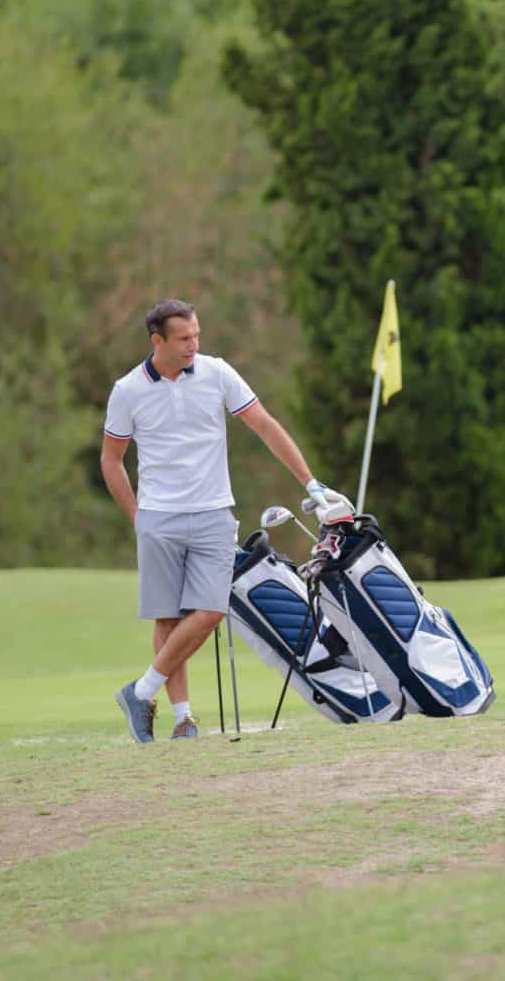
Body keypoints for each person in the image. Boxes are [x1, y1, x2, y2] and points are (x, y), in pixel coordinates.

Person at [101, 299, 349, 742]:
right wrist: (137, 516)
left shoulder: (217, 373)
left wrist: (310, 482)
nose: (194, 344)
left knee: (211, 610)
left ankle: (141, 691)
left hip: (215, 512)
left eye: (196, 335)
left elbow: (266, 426)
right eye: (184, 338)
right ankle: (182, 720)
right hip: (159, 517)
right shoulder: (128, 390)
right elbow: (112, 459)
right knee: (168, 618)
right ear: (157, 340)